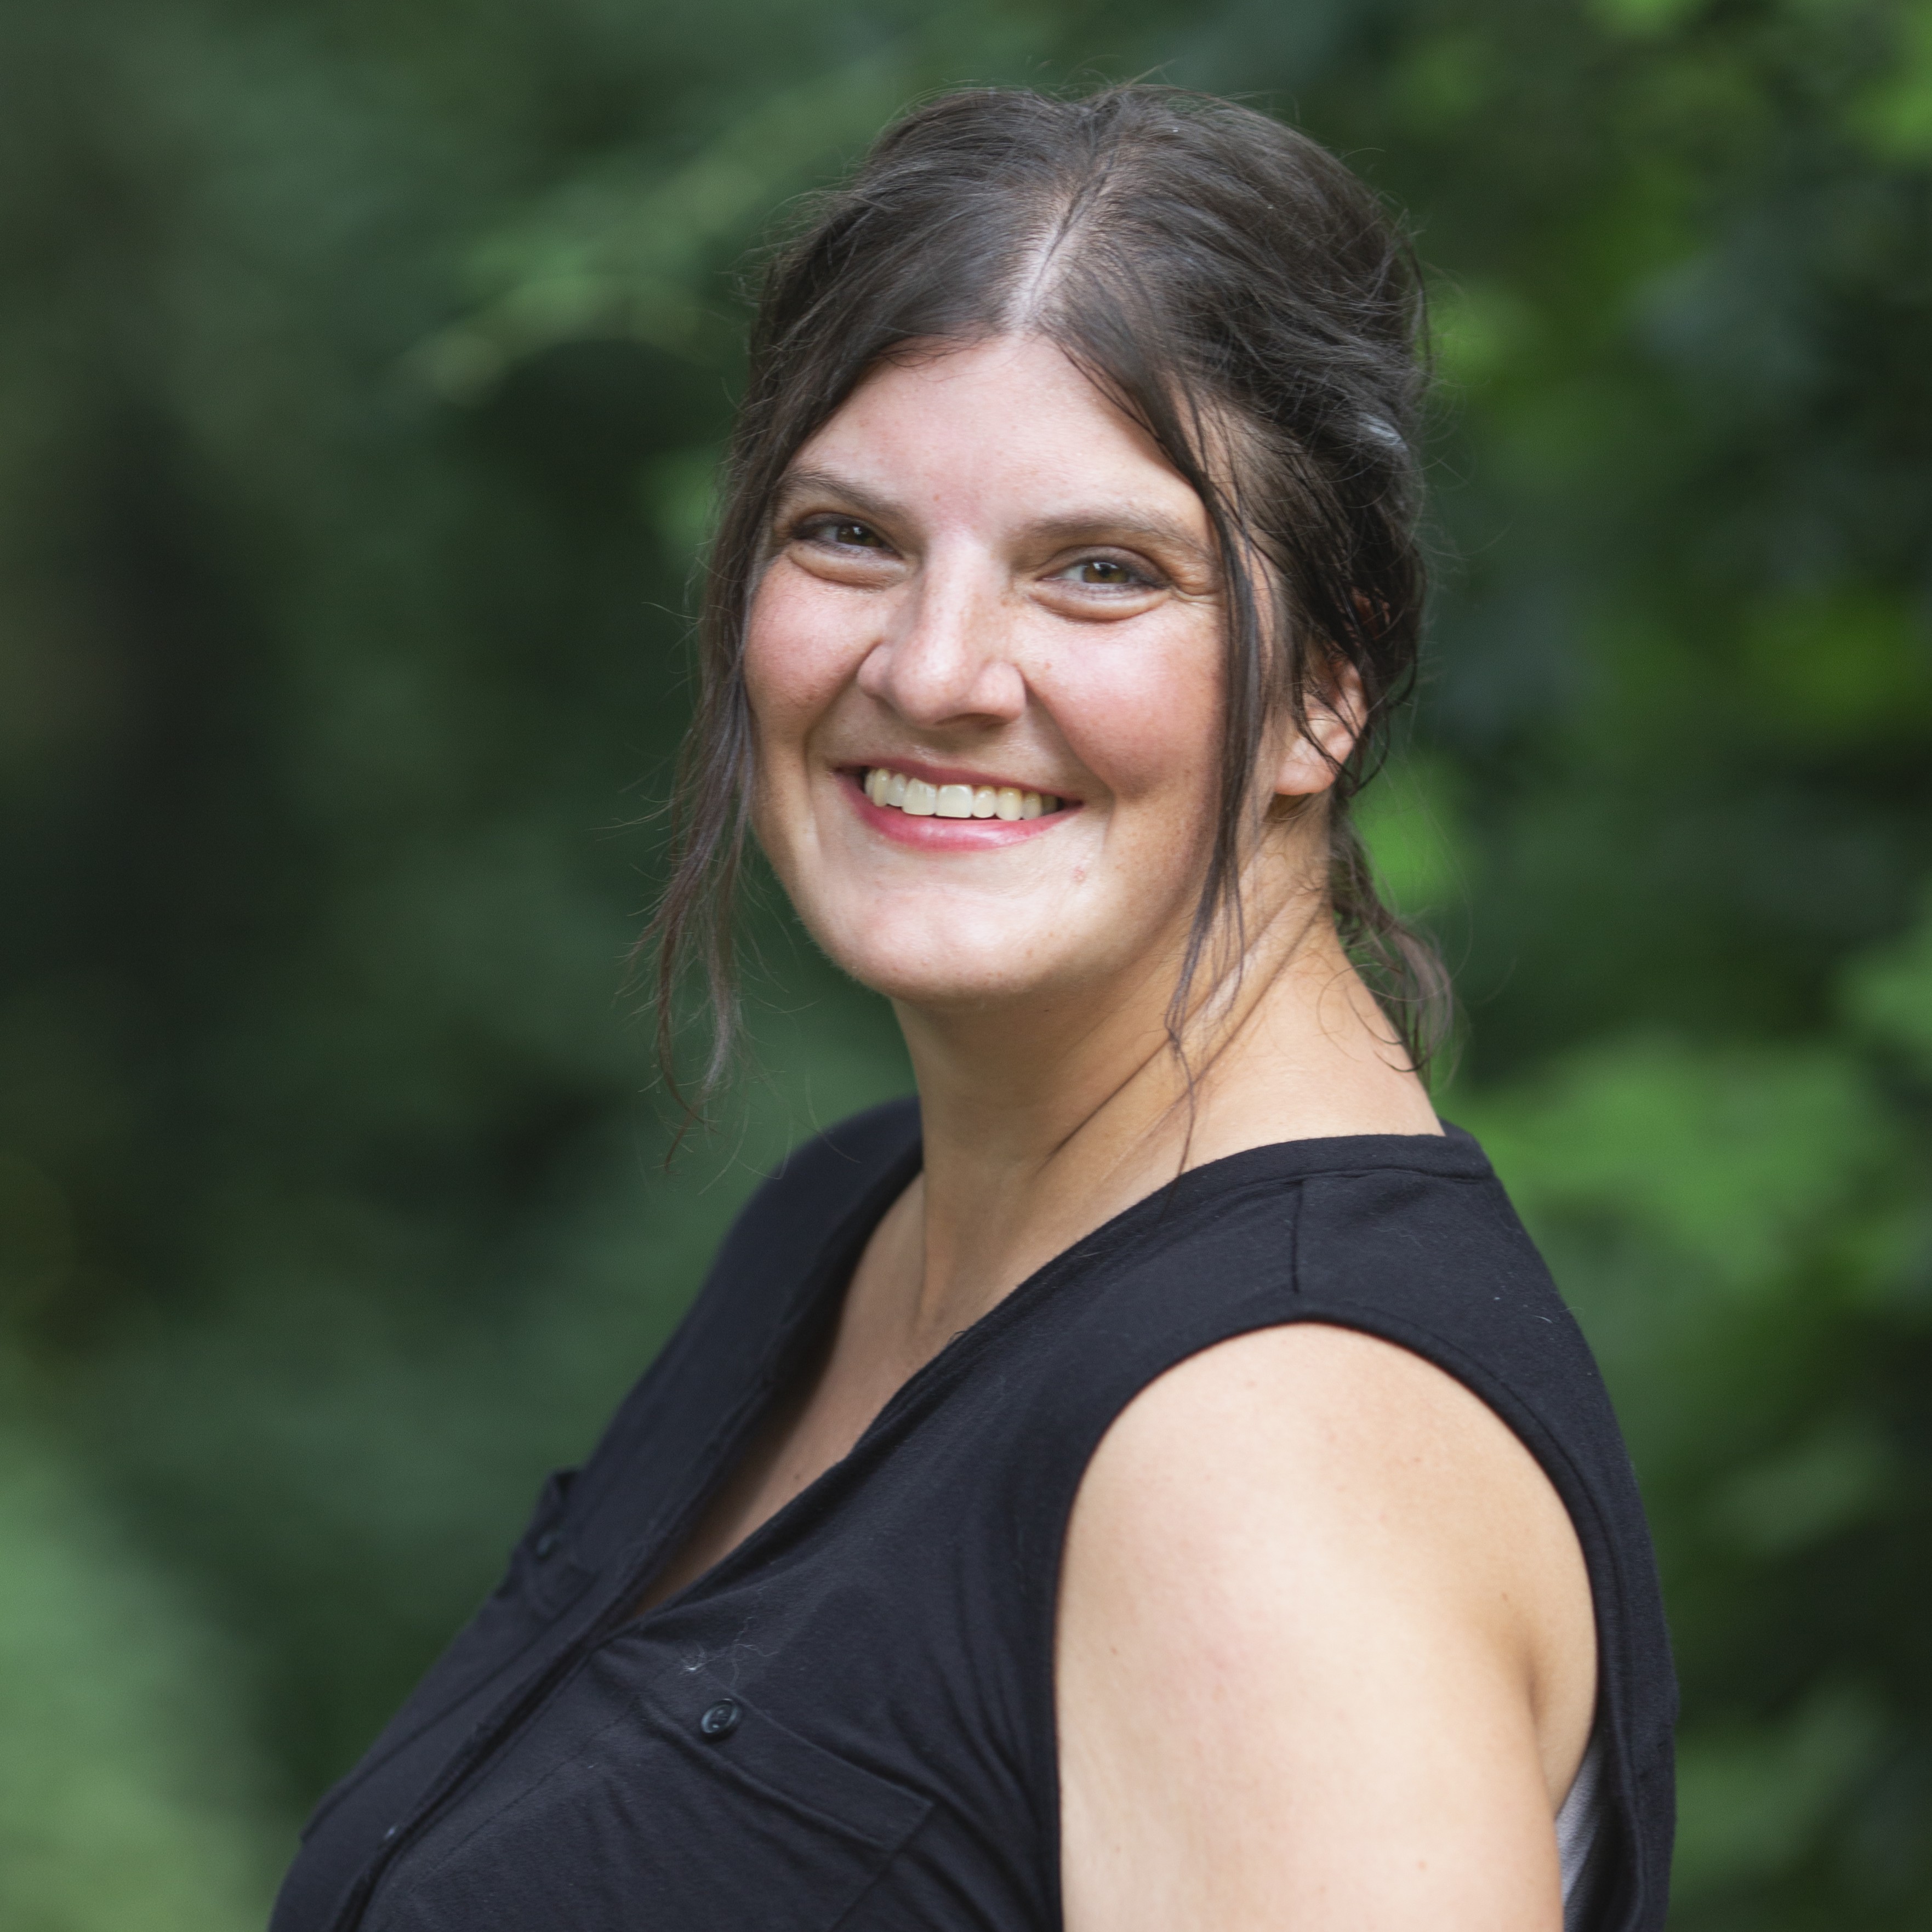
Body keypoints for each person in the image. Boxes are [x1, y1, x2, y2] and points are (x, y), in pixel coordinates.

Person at [272, 85, 1675, 1932]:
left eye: (1102, 571)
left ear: (1329, 682)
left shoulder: (1267, 1457)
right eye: (848, 536)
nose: (935, 671)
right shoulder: (848, 1231)